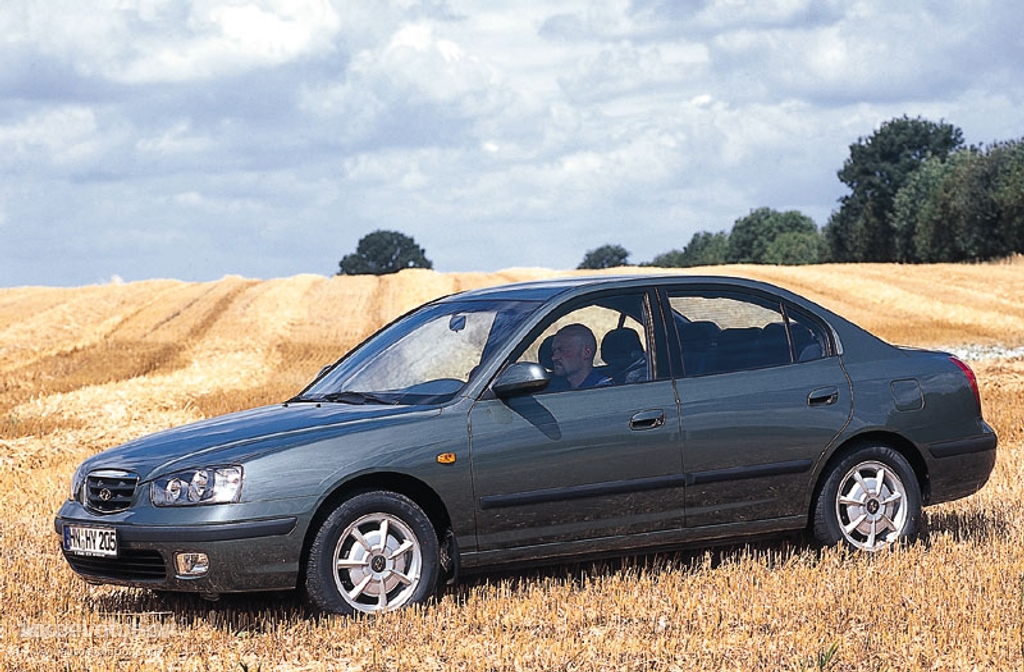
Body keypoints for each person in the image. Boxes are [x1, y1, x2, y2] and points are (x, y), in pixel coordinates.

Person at [547, 323, 611, 390]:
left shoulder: (604, 391)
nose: (554, 357)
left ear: (586, 353)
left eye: (562, 350)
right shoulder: (552, 388)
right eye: (554, 351)